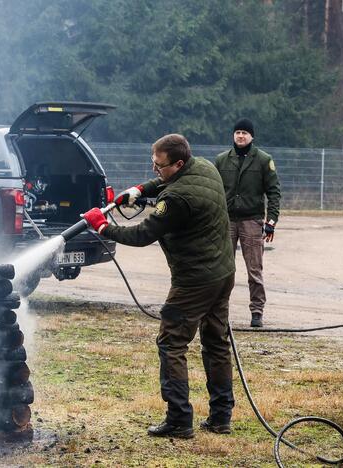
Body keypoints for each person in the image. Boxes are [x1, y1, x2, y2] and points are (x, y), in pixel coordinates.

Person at [83, 134, 236, 439]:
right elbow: (164, 184)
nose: (155, 170)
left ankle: (179, 420)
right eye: (152, 163)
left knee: (171, 343)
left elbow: (142, 234)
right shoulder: (205, 167)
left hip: (195, 281)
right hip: (223, 272)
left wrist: (102, 225)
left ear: (178, 163)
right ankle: (221, 418)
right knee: (216, 342)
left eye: (159, 166)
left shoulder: (176, 199)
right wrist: (138, 190)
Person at [214, 119, 281, 328]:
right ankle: (217, 310)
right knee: (222, 268)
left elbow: (274, 192)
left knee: (254, 269)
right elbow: (213, 191)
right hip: (227, 221)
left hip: (252, 220)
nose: (241, 136)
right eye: (237, 132)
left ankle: (257, 311)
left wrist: (271, 221)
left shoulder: (263, 160)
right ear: (233, 135)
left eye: (244, 133)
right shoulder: (221, 160)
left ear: (252, 136)